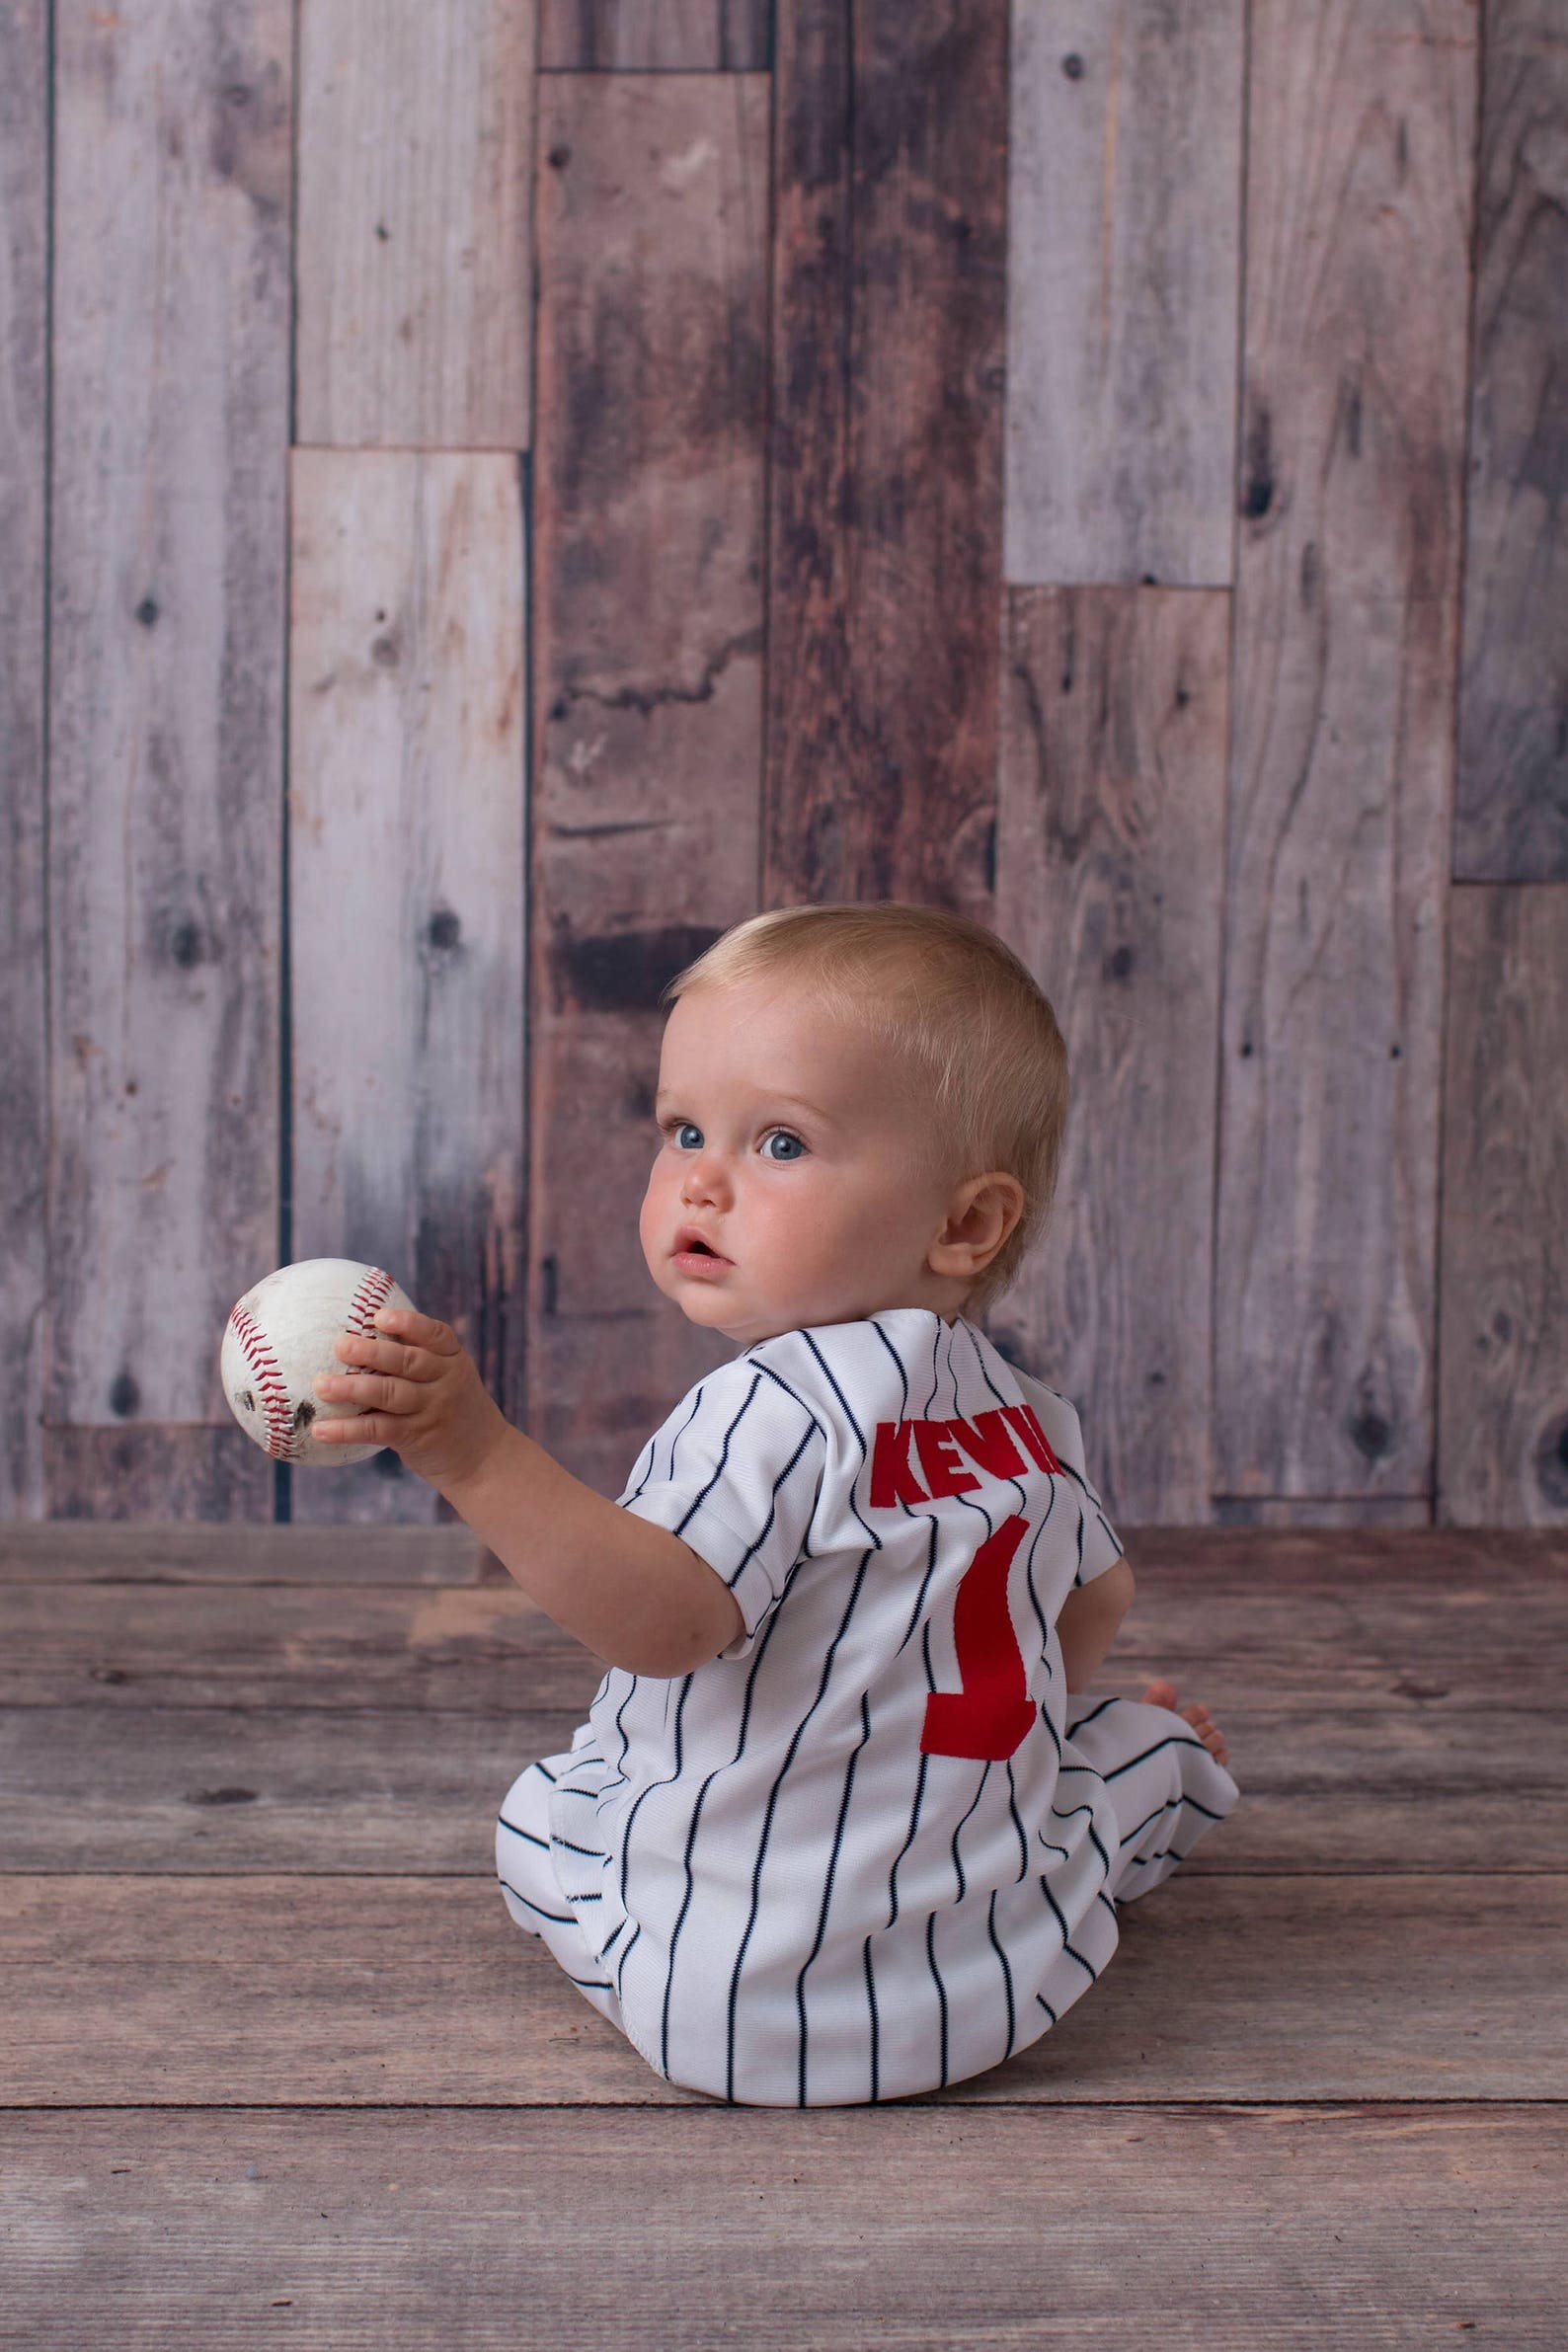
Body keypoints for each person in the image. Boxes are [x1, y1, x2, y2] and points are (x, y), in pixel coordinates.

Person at [311, 902, 1239, 2106]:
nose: (700, 1180)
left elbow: (662, 1624)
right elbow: (1098, 1597)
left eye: (781, 1145)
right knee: (1113, 1757)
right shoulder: (1028, 1419)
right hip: (1003, 1976)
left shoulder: (773, 1410)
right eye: (683, 1128)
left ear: (965, 1223)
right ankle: (1170, 1771)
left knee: (545, 1808)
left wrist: (474, 1455)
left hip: (725, 1998)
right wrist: (1011, 1740)